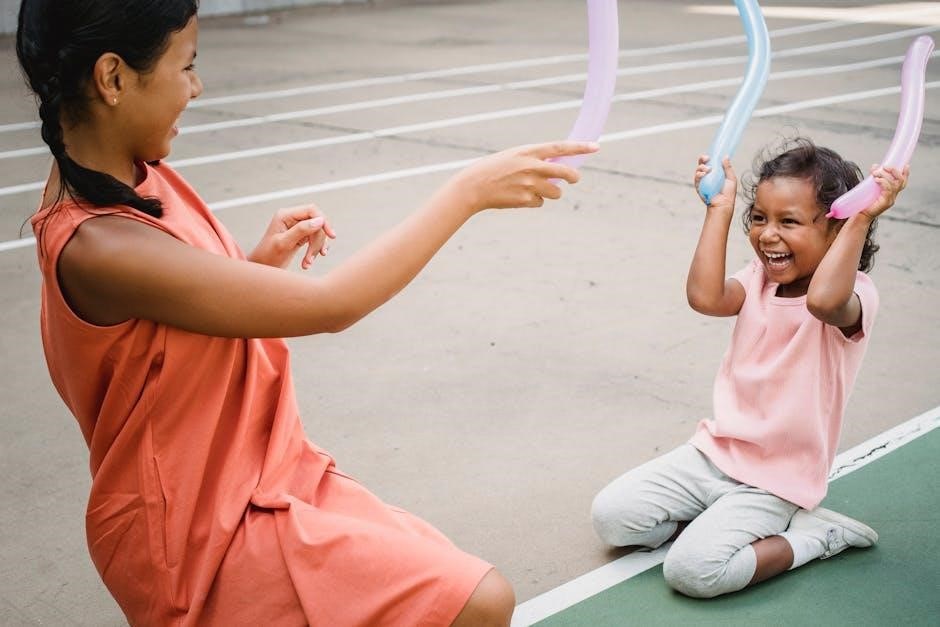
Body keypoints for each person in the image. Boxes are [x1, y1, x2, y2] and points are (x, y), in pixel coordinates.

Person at [17, 1, 599, 625]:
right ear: (113, 77)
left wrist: (253, 267)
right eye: (186, 66)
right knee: (479, 600)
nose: (197, 87)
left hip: (262, 472)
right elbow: (333, 305)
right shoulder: (100, 245)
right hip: (197, 532)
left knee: (457, 588)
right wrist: (468, 192)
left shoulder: (129, 177)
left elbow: (158, 338)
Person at [591, 137, 908, 598]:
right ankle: (715, 517)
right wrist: (718, 210)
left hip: (777, 480)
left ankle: (813, 535)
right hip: (716, 454)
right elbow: (706, 298)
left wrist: (861, 217)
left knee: (693, 572)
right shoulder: (759, 279)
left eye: (788, 221)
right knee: (612, 518)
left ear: (835, 228)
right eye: (759, 217)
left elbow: (822, 302)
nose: (768, 234)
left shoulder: (855, 295)